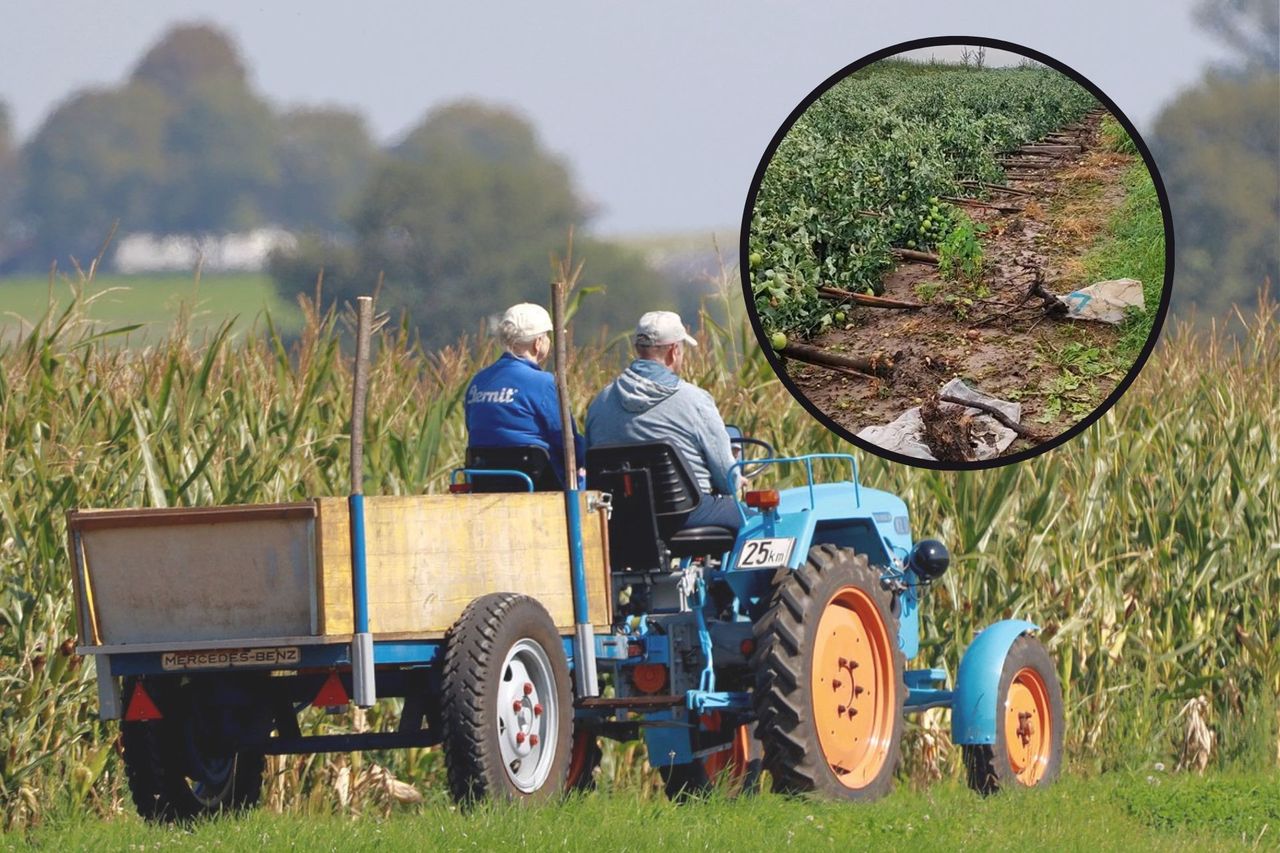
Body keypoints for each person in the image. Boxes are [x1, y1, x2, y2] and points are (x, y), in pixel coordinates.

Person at [586, 310, 742, 531]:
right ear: (674, 351)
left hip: (623, 519)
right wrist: (737, 480)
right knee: (760, 522)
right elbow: (727, 481)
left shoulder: (600, 403)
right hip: (688, 513)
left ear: (637, 348)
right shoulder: (695, 400)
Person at [464, 303, 583, 489]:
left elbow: (473, 428)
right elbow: (568, 443)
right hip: (538, 484)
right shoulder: (544, 383)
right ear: (538, 343)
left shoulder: (478, 381)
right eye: (547, 337)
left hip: (484, 483)